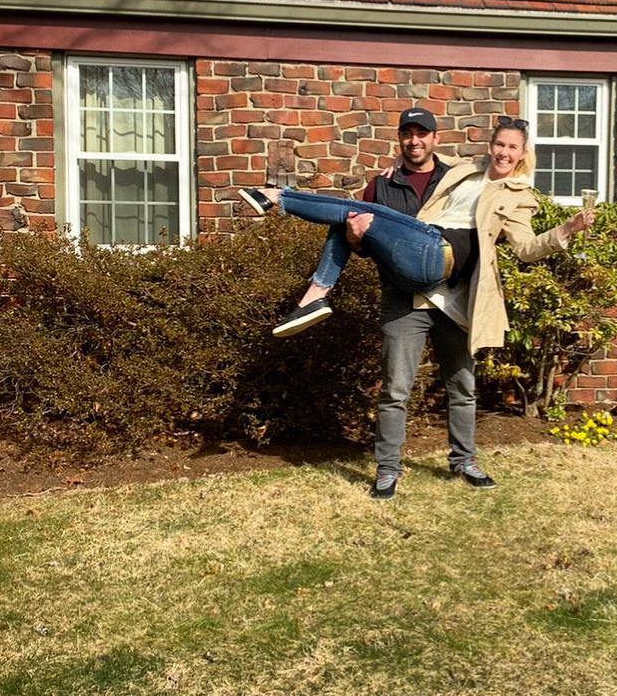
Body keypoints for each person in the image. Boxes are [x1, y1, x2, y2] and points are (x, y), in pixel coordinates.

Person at [240, 110, 593, 500]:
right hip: (407, 292)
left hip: (454, 296)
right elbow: (420, 162)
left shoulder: (518, 196)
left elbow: (526, 248)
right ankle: (388, 469)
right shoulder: (463, 170)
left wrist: (567, 229)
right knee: (395, 389)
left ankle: (464, 460)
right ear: (489, 146)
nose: (504, 153)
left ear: (523, 153)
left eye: (512, 147)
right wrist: (392, 169)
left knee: (462, 387)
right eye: (499, 144)